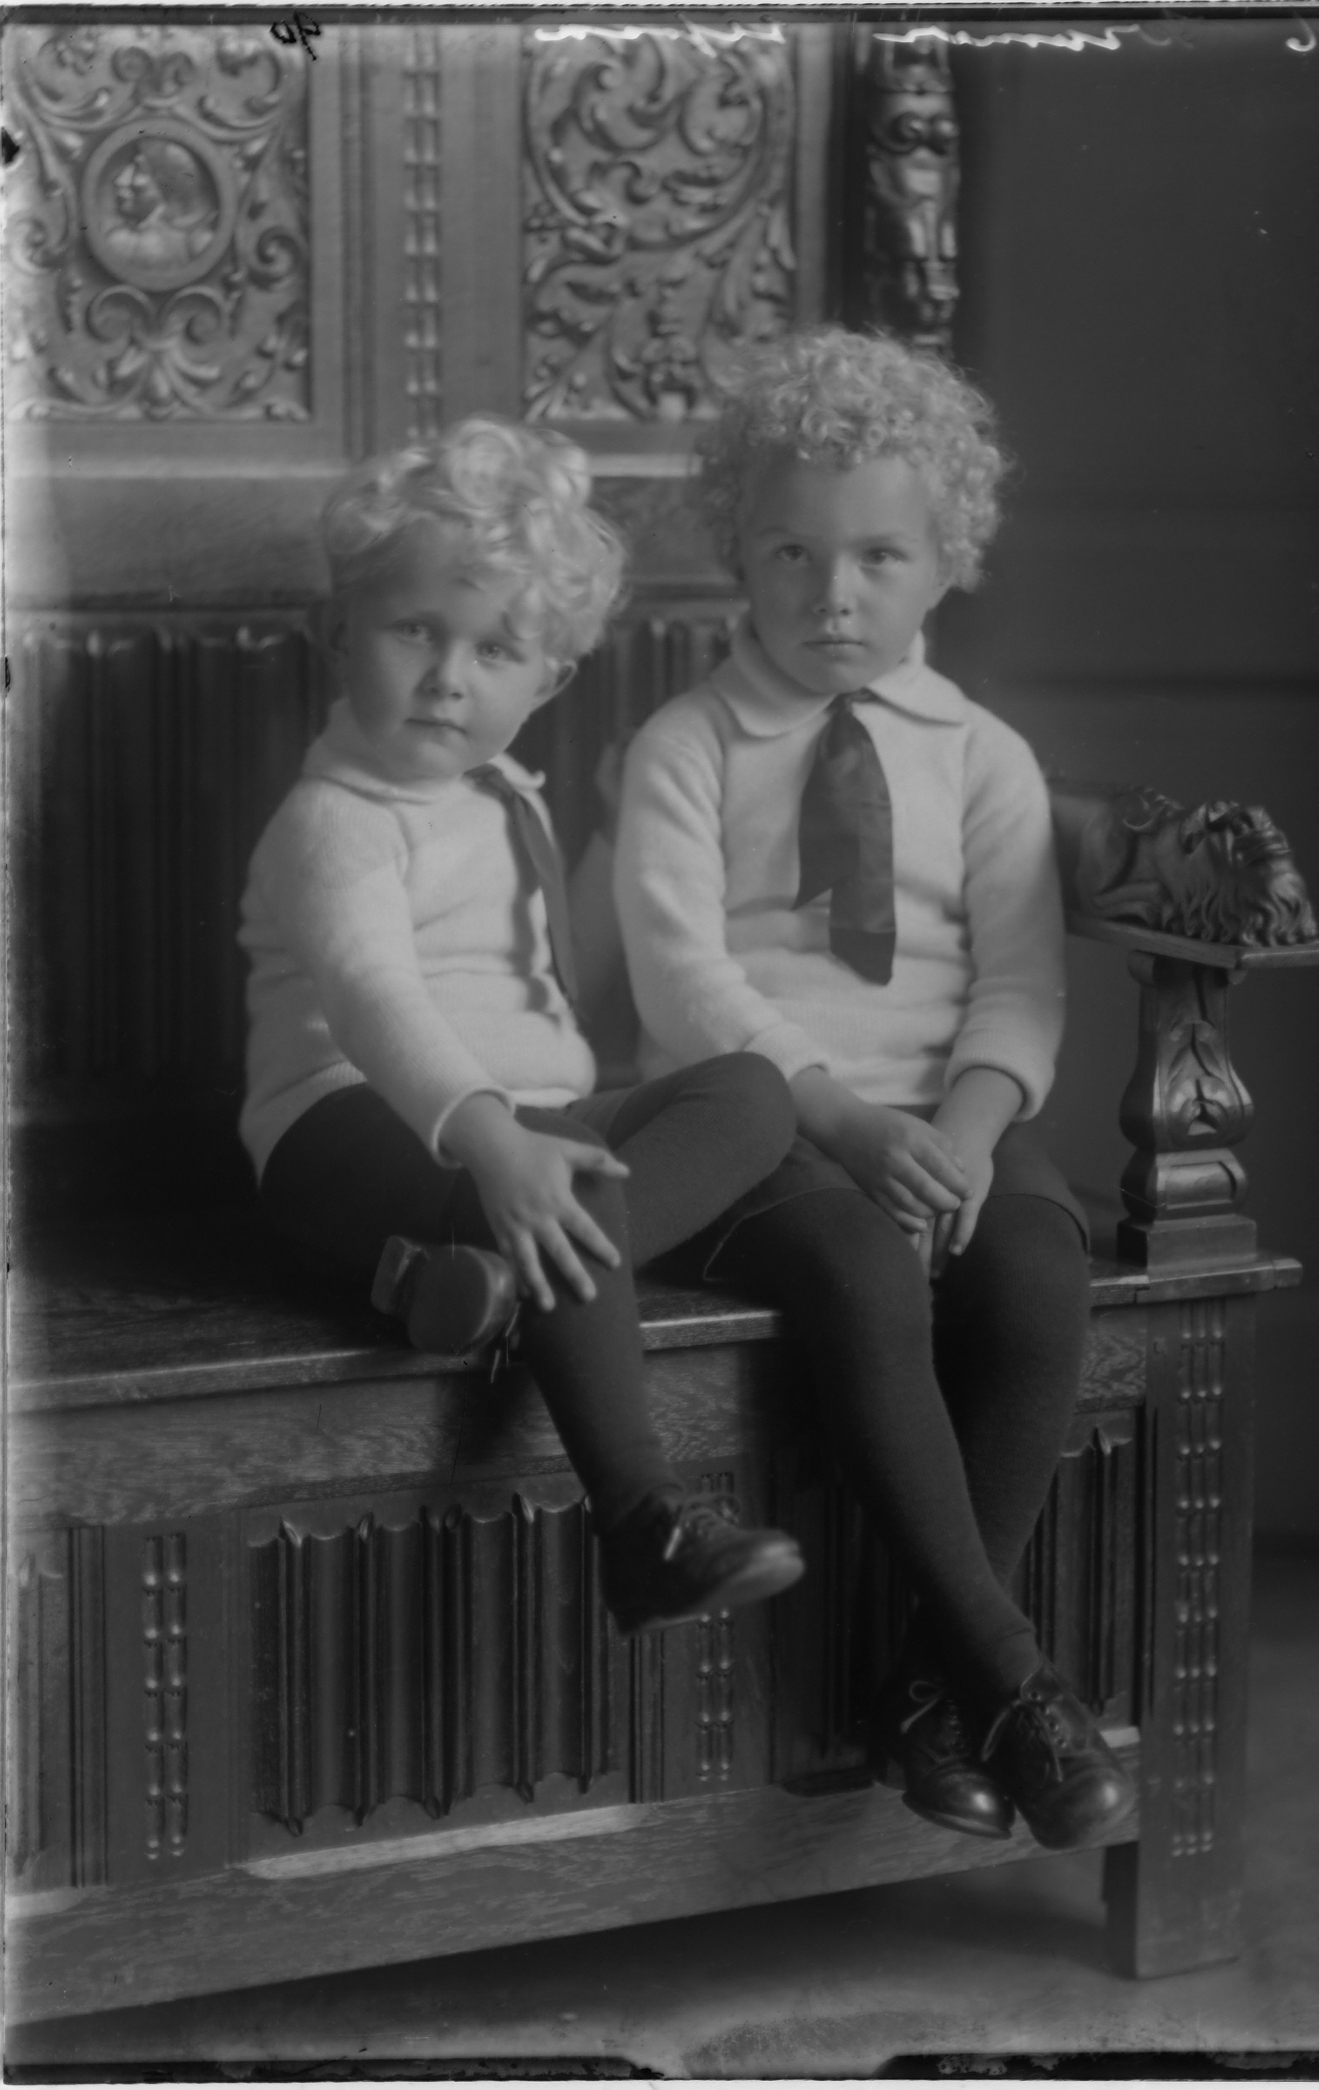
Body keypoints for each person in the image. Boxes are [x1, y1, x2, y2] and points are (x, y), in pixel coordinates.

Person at [614, 328, 1135, 1851]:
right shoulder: (685, 747)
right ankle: (1015, 1681)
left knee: (1034, 1268)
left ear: (945, 561)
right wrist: (840, 1118)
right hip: (760, 1119)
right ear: (737, 549)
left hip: (944, 1112)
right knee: (857, 1264)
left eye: (878, 556)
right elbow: (680, 976)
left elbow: (1019, 981)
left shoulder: (983, 758)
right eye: (792, 550)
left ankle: (924, 1689)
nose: (831, 592)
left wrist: (964, 1135)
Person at [239, 416, 804, 1636]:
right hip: (344, 1132)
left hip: (520, 1125)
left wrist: (607, 841)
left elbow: (559, 979)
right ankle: (644, 1525)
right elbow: (375, 997)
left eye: (494, 648)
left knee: (753, 1089)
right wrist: (497, 1140)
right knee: (571, 1172)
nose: (448, 674)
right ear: (340, 630)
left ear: (547, 678)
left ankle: (504, 1283)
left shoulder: (502, 796)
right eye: (413, 630)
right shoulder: (333, 820)